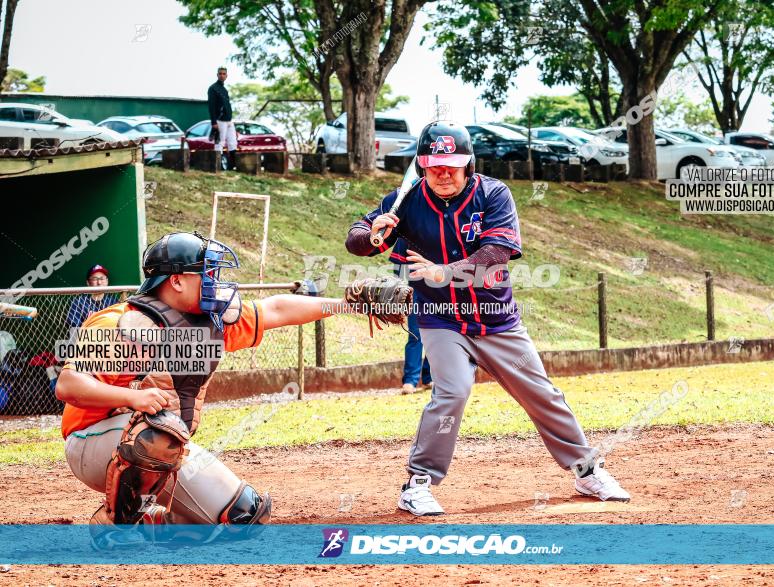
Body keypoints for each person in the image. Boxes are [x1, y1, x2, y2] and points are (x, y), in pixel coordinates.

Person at [346, 121, 630, 516]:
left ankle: (586, 470)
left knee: (541, 393)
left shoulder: (493, 194)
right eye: (433, 166)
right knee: (453, 390)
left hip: (497, 320)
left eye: (452, 165)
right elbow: (357, 239)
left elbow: (495, 253)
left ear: (469, 165)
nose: (443, 174)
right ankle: (417, 485)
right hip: (440, 318)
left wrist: (443, 272)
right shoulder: (406, 200)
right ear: (422, 166)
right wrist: (373, 234)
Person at [56, 232, 372, 547]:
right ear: (177, 281)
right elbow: (68, 384)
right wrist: (132, 397)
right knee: (157, 434)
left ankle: (153, 524)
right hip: (92, 444)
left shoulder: (210, 321)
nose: (214, 281)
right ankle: (117, 526)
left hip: (162, 445)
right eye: (206, 273)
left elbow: (275, 309)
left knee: (245, 516)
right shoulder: (119, 323)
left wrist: (347, 306)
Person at [390, 238, 431, 394]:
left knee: (439, 335)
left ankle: (430, 377)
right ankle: (410, 381)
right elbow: (398, 268)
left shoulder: (445, 227)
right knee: (415, 335)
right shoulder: (408, 232)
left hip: (443, 292)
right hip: (417, 292)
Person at [65, 265, 118, 329]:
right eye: (95, 279)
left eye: (102, 278)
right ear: (88, 283)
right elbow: (73, 325)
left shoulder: (113, 301)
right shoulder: (80, 302)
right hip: (87, 337)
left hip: (109, 336)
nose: (99, 282)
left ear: (107, 281)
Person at [207, 66, 236, 169]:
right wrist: (213, 122)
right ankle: (217, 167)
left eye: (224, 74)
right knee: (219, 143)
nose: (222, 75)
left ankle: (233, 166)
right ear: (217, 75)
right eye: (220, 73)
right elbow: (211, 106)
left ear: (226, 76)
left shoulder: (224, 89)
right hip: (219, 120)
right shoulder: (213, 88)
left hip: (229, 120)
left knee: (233, 142)